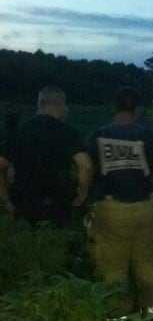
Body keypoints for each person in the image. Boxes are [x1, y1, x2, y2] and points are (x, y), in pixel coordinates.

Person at [86, 86, 153, 316]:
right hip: (145, 208)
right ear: (137, 109)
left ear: (115, 108)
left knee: (112, 270)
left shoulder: (98, 134)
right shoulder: (146, 134)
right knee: (150, 266)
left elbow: (86, 167)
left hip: (111, 211)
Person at [0, 86, 92, 226]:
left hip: (24, 204)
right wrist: (82, 194)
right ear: (62, 104)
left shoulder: (21, 131)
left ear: (39, 104)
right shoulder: (67, 132)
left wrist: (6, 199)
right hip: (57, 204)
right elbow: (85, 164)